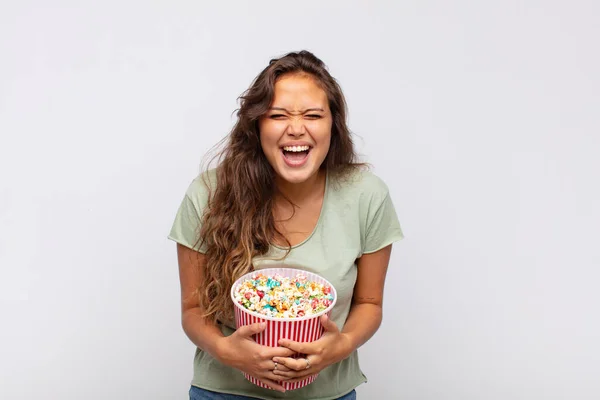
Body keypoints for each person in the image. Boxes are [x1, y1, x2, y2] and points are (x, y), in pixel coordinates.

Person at [168, 50, 404, 400]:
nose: (296, 128)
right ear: (257, 124)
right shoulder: (208, 193)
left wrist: (341, 346)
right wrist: (226, 350)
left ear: (333, 125)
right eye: (277, 115)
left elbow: (369, 302)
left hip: (328, 395)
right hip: (224, 392)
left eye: (313, 115)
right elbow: (192, 310)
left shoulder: (366, 196)